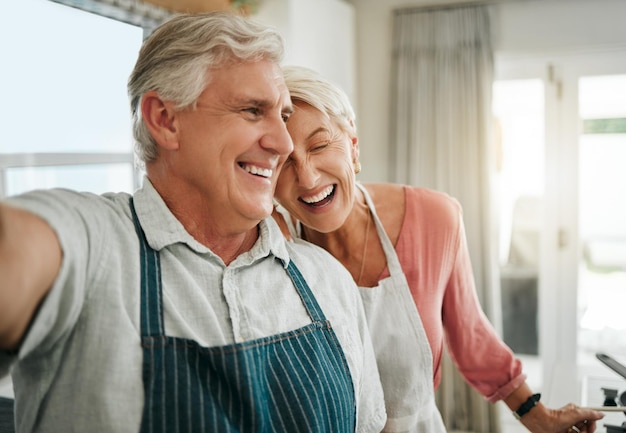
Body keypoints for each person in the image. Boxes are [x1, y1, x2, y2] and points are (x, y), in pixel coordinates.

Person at [0, 13, 387, 433]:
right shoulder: (96, 248)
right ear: (165, 119)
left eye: (283, 114)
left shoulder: (328, 281)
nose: (283, 142)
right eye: (253, 110)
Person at [272, 65, 605, 433]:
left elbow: (471, 334)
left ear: (352, 144)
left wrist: (540, 418)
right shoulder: (274, 250)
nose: (307, 177)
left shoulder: (433, 218)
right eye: (283, 160)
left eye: (320, 145)